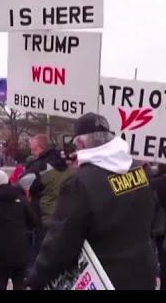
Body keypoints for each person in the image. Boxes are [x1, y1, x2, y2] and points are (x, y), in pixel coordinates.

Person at [26, 113, 158, 290]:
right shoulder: (138, 169)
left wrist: (35, 279)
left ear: (80, 144)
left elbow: (60, 244)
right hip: (142, 272)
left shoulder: (79, 184)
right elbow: (151, 213)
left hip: (104, 278)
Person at [0, 170, 34, 290]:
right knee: (19, 282)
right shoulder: (21, 199)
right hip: (20, 246)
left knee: (0, 282)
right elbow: (33, 221)